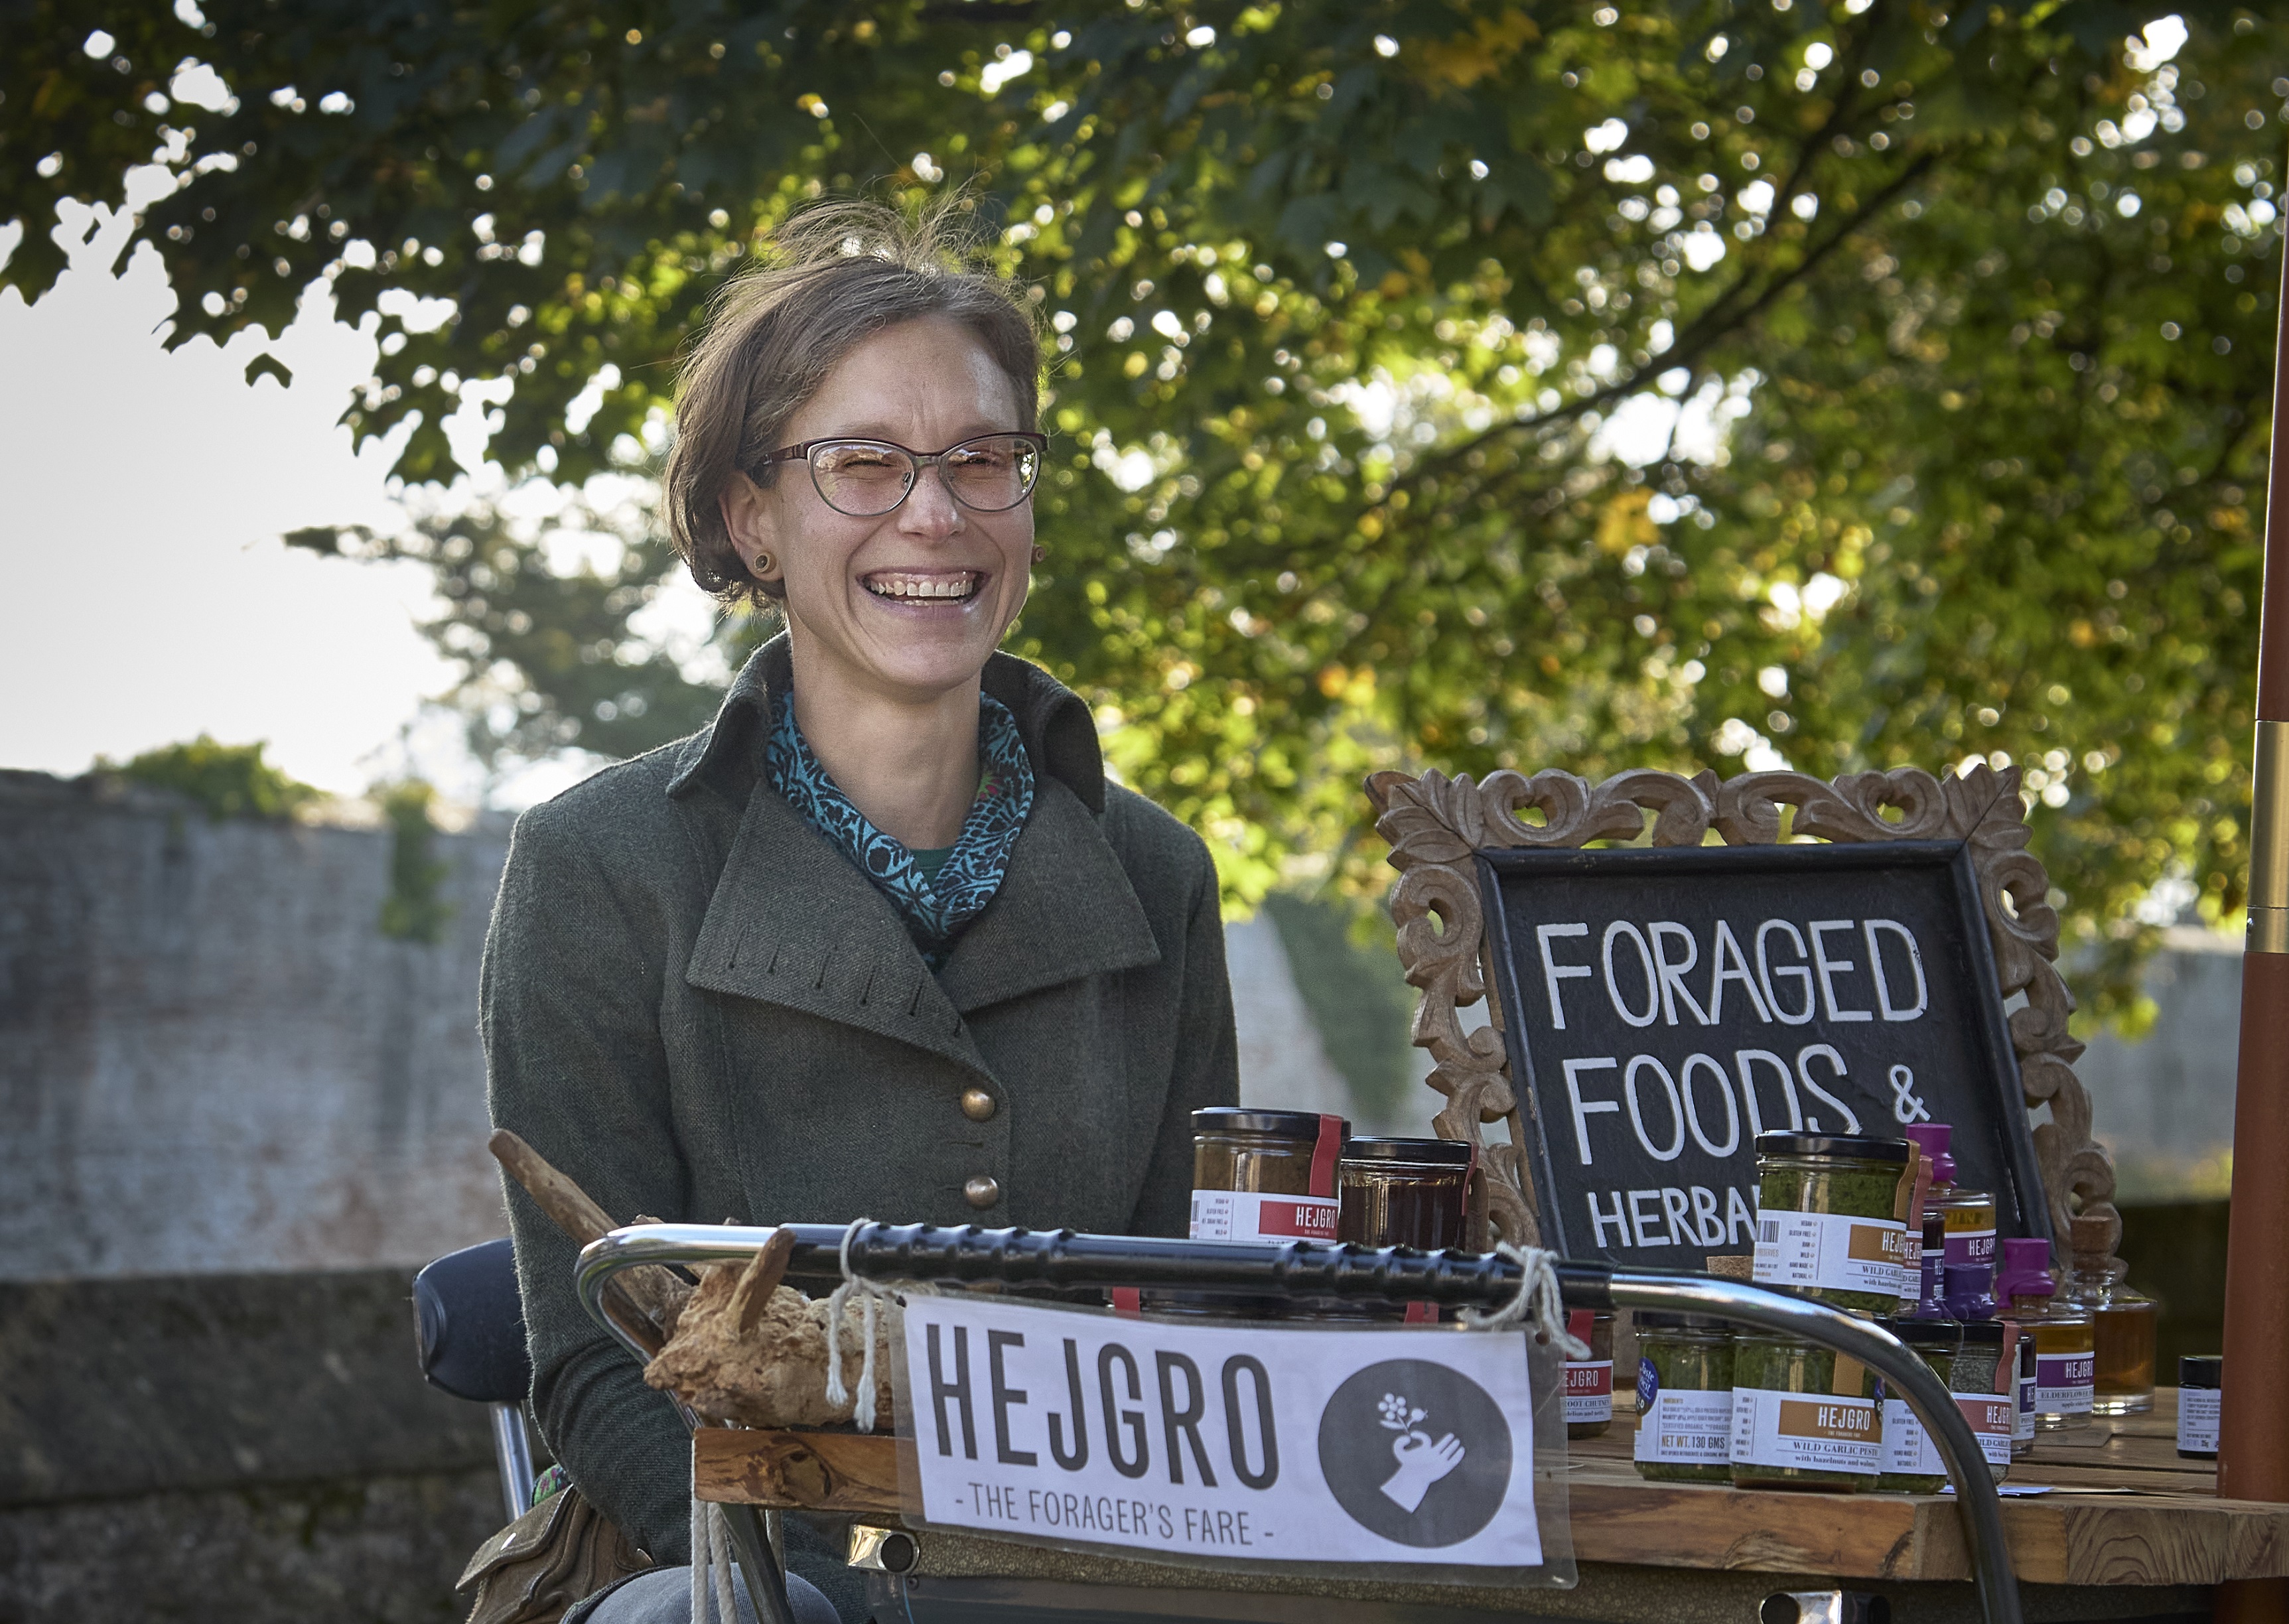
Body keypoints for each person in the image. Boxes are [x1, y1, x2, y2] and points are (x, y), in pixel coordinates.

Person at [482, 200, 1240, 1623]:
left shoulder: (1158, 873)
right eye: (864, 464)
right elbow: (595, 1360)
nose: (936, 513)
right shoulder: (595, 863)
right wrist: (837, 1596)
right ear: (749, 518)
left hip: (1086, 1572)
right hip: (732, 1559)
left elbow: (1185, 1320)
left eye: (983, 460)